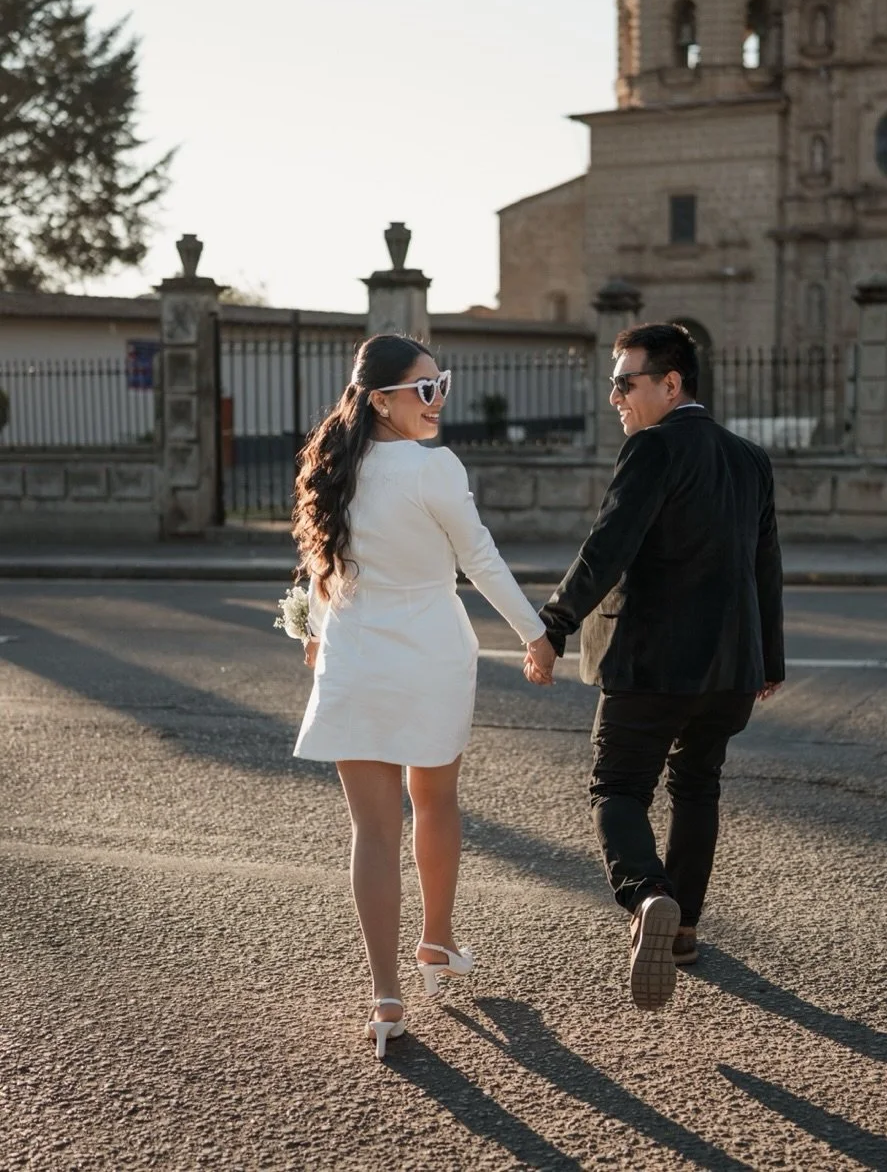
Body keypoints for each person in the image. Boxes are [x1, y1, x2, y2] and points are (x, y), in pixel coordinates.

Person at [291, 334, 548, 1059]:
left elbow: (318, 561)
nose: (438, 402)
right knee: (434, 802)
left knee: (372, 833)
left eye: (442, 386)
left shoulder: (331, 467)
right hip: (430, 650)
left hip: (355, 655)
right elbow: (481, 558)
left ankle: (387, 996)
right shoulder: (434, 469)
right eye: (424, 390)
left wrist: (312, 630)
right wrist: (536, 635)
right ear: (382, 399)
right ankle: (434, 947)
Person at [524, 322, 784, 1012]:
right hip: (732, 668)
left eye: (625, 382)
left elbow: (608, 546)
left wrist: (552, 625)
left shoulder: (653, 447)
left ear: (672, 384)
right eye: (612, 382)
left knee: (616, 788)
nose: (614, 396)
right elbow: (767, 569)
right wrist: (770, 658)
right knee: (698, 786)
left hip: (652, 663)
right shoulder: (750, 458)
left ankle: (649, 897)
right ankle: (685, 929)